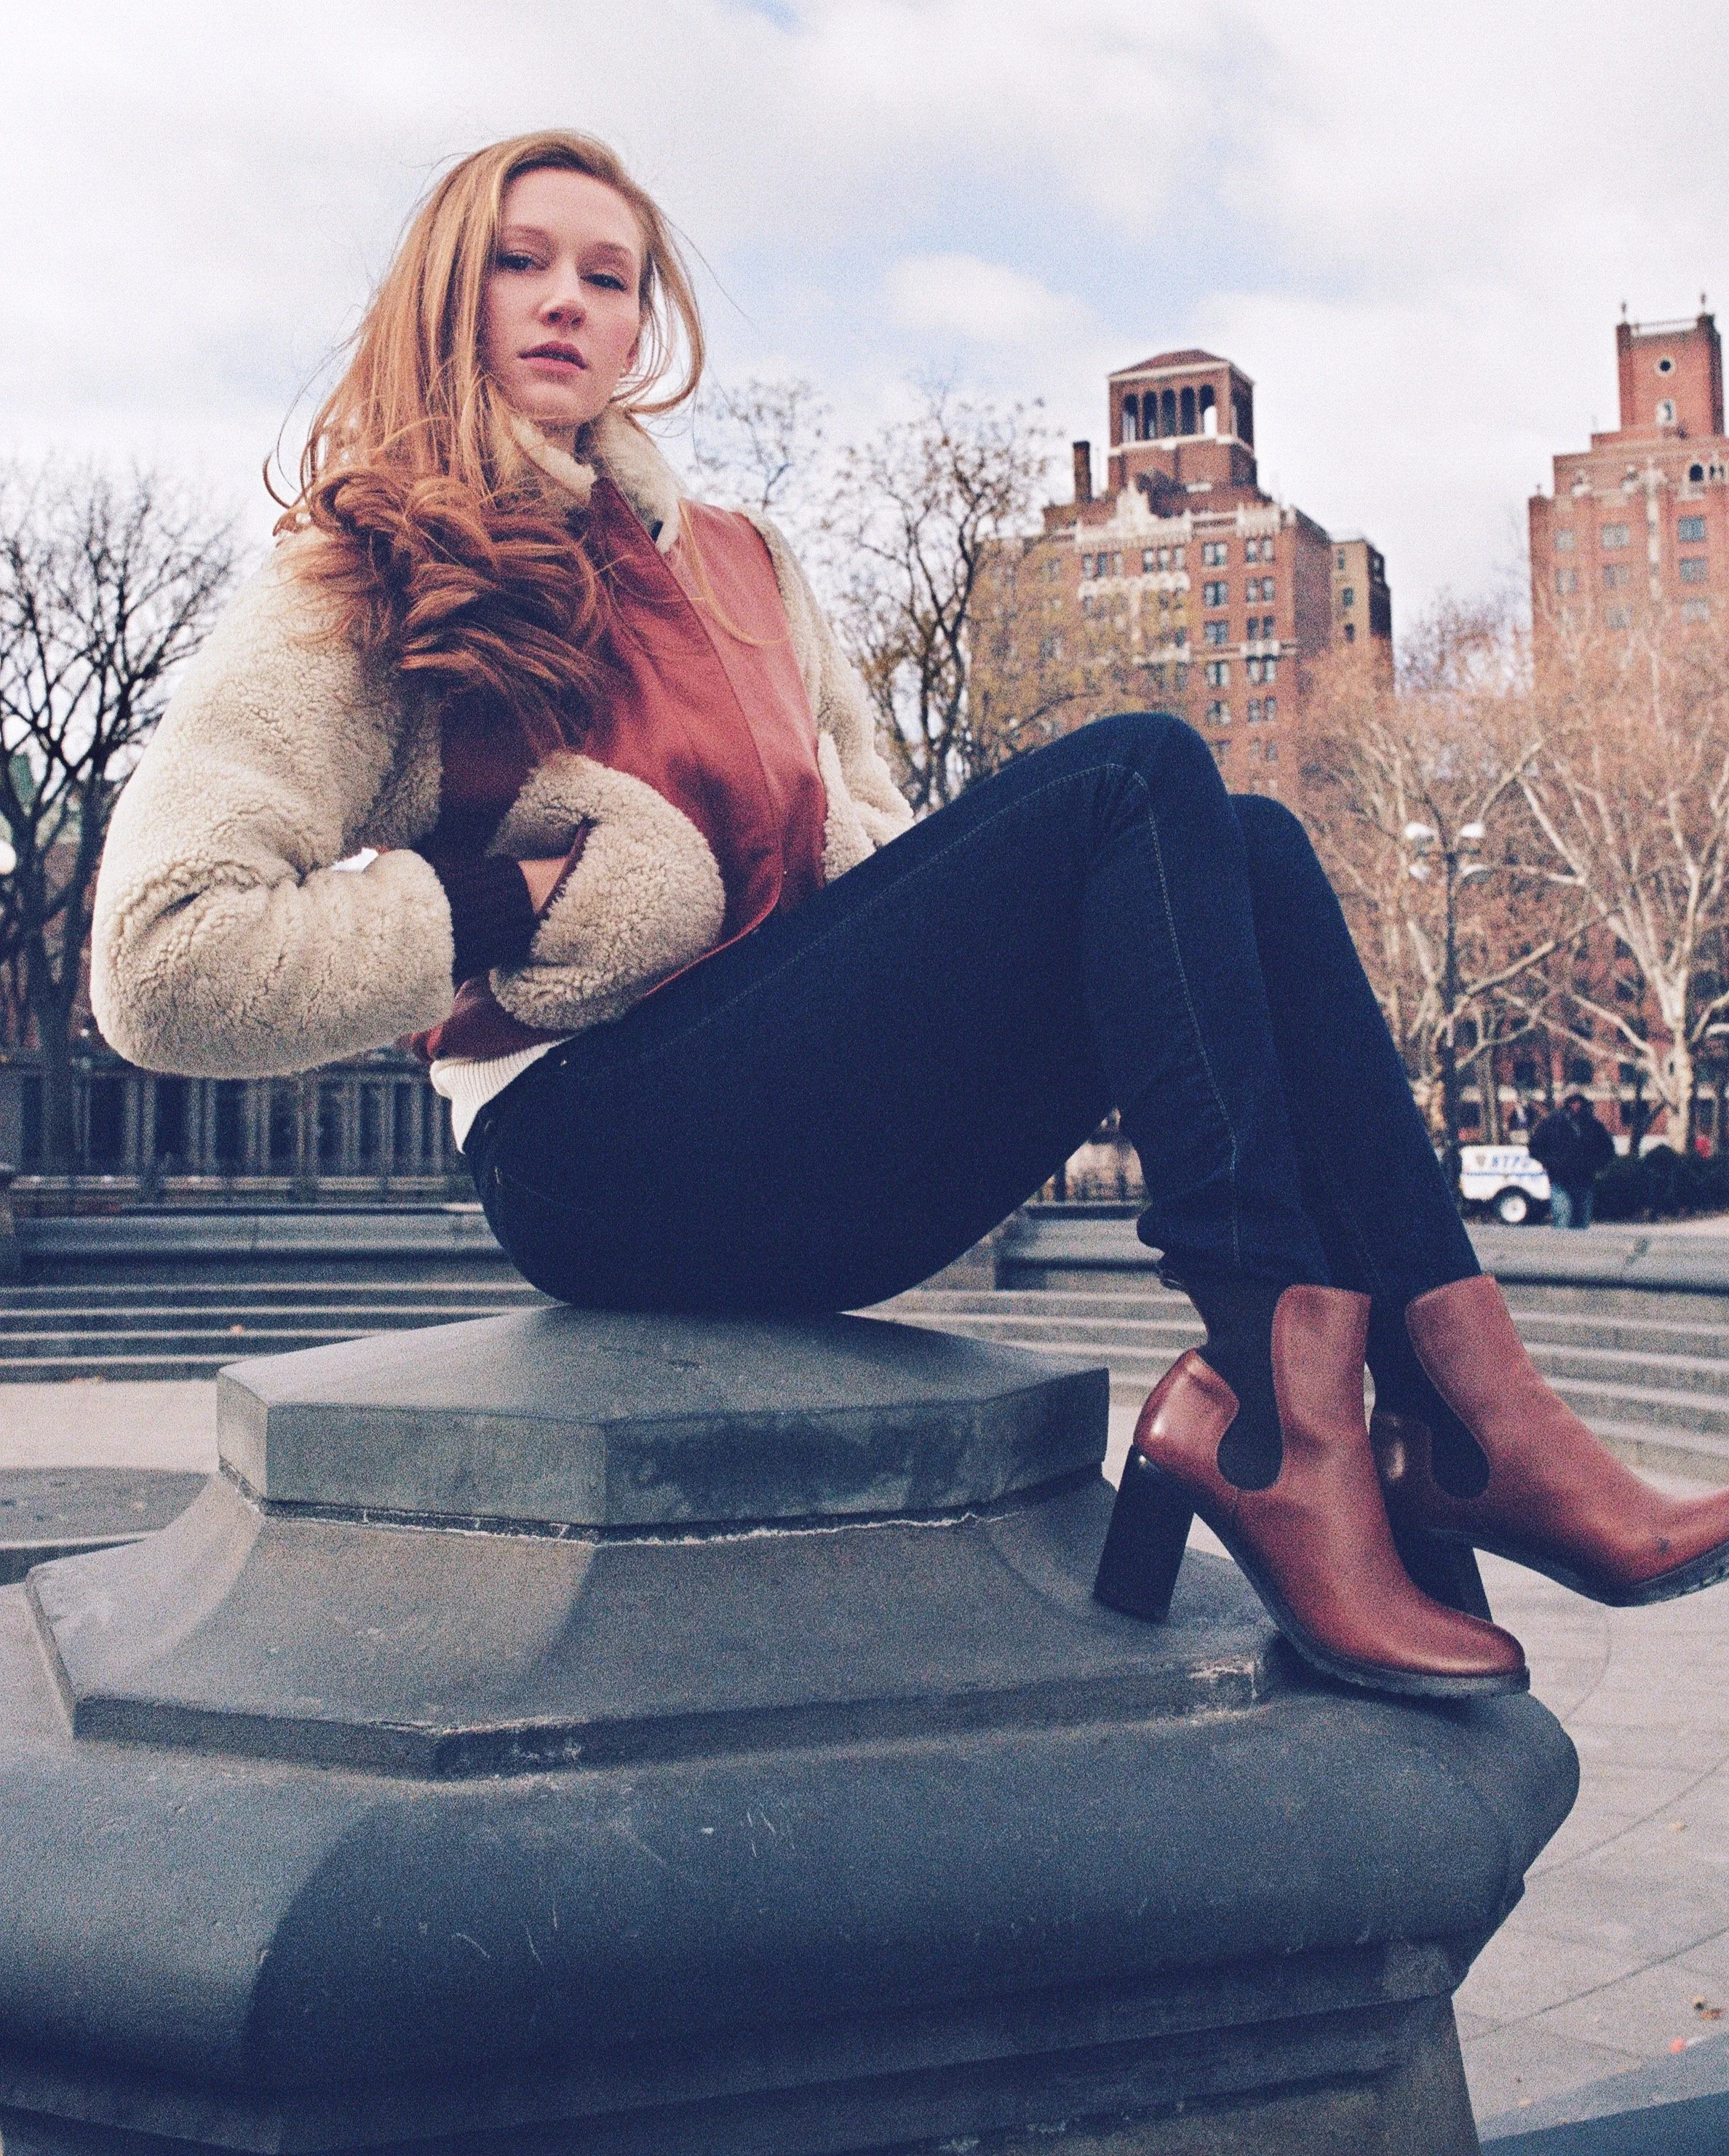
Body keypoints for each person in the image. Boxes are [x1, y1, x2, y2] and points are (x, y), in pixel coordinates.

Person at [90, 130, 1729, 1708]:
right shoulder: (369, 558)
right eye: (522, 263)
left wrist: (1058, 939)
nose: (571, 300)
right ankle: (1270, 1421)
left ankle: (1464, 1418)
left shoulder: (744, 565)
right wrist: (500, 894)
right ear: (451, 293)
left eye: (614, 272)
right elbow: (161, 961)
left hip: (797, 1133)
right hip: (589, 1154)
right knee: (1140, 771)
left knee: (1243, 840)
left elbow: (875, 869)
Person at [1530, 1092, 1617, 1228]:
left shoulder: (1593, 1125)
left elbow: (1608, 1149)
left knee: (1582, 1221)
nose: (1576, 1106)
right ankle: (1561, 1248)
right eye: (1573, 1102)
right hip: (1560, 1180)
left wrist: (1595, 1166)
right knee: (1563, 1215)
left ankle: (1579, 1250)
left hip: (1585, 1180)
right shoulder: (1553, 1124)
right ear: (1567, 1104)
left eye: (1579, 1102)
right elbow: (1535, 1147)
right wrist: (1551, 1163)